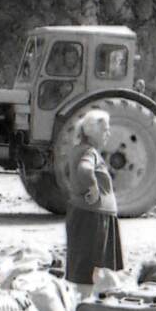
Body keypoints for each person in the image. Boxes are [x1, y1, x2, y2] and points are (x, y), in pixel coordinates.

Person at [64, 110, 124, 301]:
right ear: (92, 132)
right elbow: (84, 169)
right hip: (92, 217)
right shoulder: (88, 152)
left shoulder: (80, 149)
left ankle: (91, 304)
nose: (108, 134)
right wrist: (94, 188)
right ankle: (84, 308)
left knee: (91, 267)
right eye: (105, 130)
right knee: (88, 267)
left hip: (91, 215)